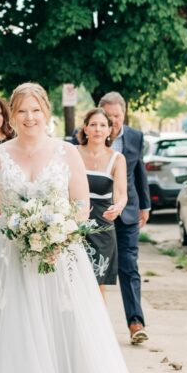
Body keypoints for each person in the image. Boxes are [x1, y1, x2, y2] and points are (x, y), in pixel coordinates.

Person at [0, 82, 157, 373]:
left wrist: (58, 234)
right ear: (11, 115)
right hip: (13, 260)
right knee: (18, 342)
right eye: (21, 111)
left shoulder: (66, 152)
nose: (29, 118)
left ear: (47, 111)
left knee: (61, 339)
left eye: (35, 110)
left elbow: (81, 204)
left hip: (58, 256)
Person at [98, 91, 151, 345]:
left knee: (129, 267)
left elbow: (139, 170)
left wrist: (146, 205)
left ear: (124, 114)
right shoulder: (89, 134)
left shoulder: (134, 137)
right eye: (108, 116)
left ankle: (135, 322)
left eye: (117, 116)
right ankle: (96, 326)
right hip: (97, 213)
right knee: (97, 270)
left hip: (128, 212)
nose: (113, 121)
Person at [75, 107, 127, 295]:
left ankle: (97, 325)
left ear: (109, 130)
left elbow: (121, 193)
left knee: (95, 287)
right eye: (93, 124)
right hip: (72, 227)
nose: (98, 129)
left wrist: (118, 207)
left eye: (103, 125)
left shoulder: (117, 159)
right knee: (71, 285)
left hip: (101, 228)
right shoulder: (72, 153)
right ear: (85, 129)